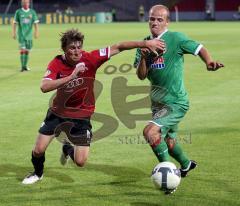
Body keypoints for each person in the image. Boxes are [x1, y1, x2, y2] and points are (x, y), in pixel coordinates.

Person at [22, 28, 165, 185]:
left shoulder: (91, 59)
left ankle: (67, 148)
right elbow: (44, 86)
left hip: (81, 117)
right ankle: (37, 173)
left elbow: (119, 46)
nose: (76, 51)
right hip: (57, 114)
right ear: (64, 49)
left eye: (79, 47)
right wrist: (71, 76)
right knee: (38, 150)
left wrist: (145, 43)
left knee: (80, 162)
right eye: (72, 48)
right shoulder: (57, 62)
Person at [134, 4, 224, 186]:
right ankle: (186, 164)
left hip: (175, 102)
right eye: (152, 19)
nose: (155, 22)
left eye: (160, 19)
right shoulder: (144, 44)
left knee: (150, 132)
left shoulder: (175, 38)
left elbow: (199, 48)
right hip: (158, 103)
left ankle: (168, 175)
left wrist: (209, 61)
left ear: (167, 22)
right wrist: (144, 57)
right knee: (168, 140)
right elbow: (141, 75)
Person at [12, 0, 39, 72]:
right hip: (21, 35)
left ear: (29, 3)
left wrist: (36, 32)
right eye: (24, 3)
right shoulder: (18, 12)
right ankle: (22, 67)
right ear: (22, 4)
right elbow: (15, 23)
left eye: (27, 2)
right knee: (22, 50)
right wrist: (14, 33)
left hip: (29, 36)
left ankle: (25, 66)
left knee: (27, 51)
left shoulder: (32, 12)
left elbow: (36, 23)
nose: (26, 4)